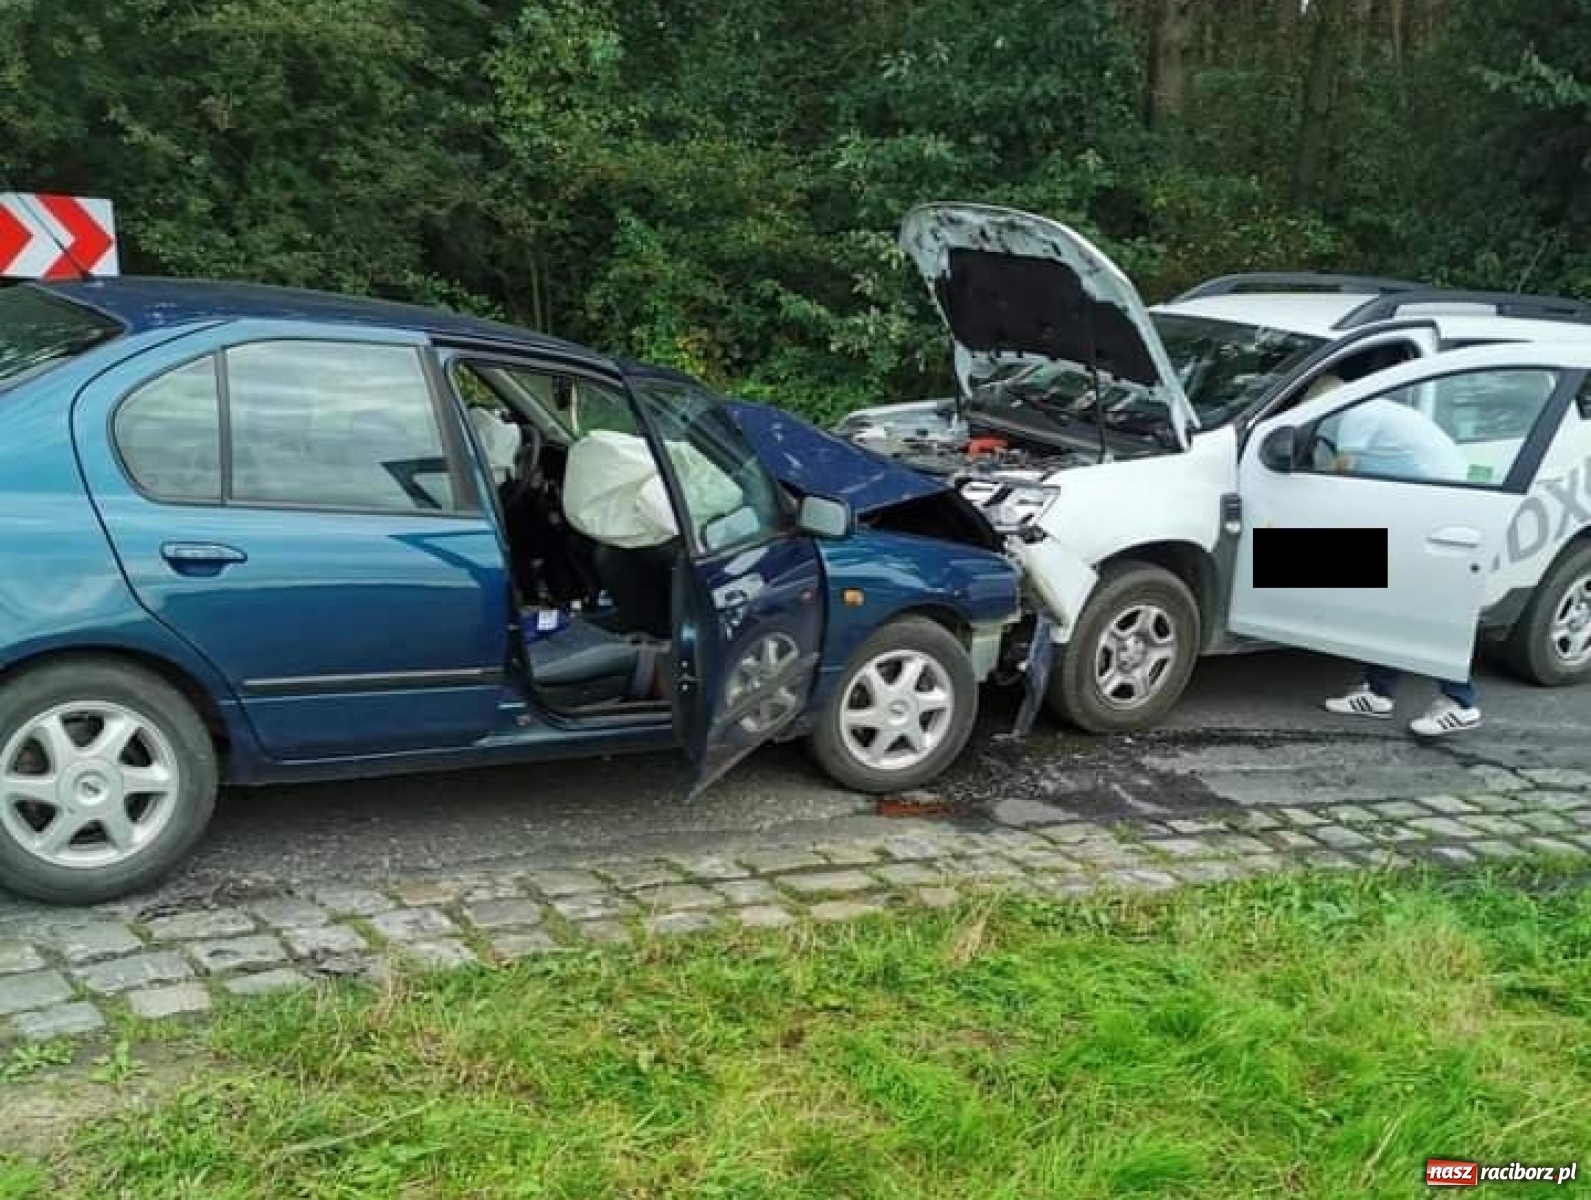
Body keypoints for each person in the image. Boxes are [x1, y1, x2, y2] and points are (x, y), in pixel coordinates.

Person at [1315, 386, 1483, 737]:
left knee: (1430, 610)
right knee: (1394, 603)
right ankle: (1378, 692)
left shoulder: (1357, 414)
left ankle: (1462, 703)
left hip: (1437, 514)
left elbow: (1342, 472)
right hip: (1423, 508)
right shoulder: (1374, 410)